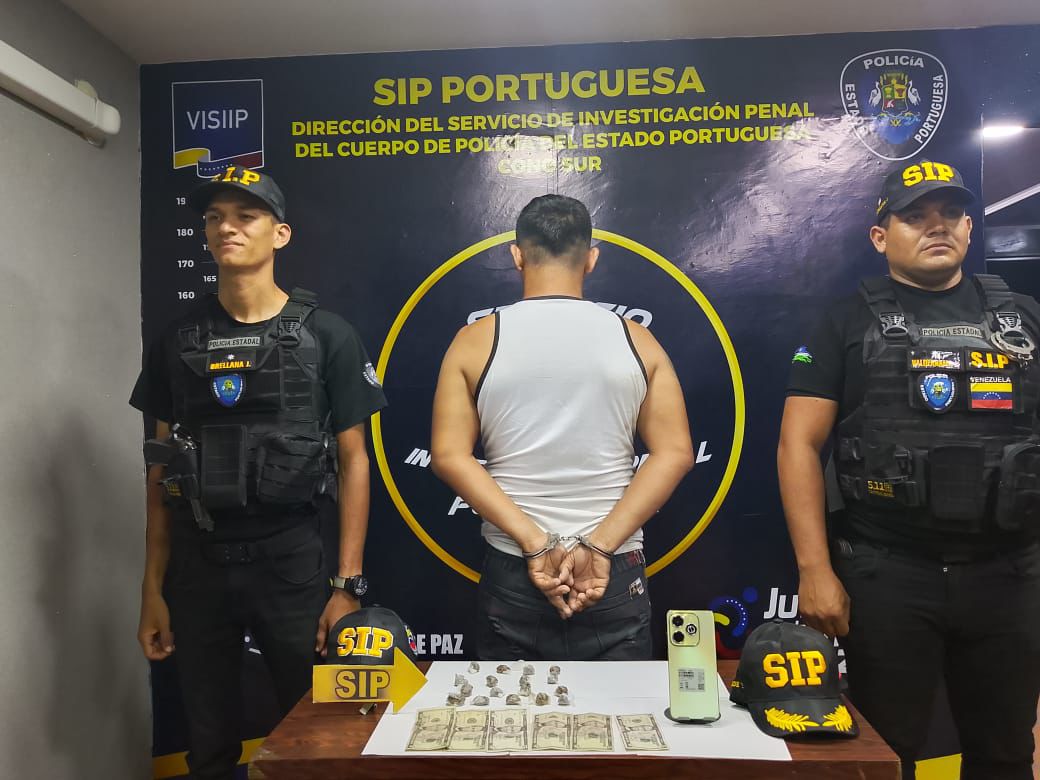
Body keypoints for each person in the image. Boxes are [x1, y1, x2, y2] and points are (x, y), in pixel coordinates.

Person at [778, 160, 1040, 780]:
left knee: (1006, 755)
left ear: (970, 228)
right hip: (890, 572)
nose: (936, 226)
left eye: (950, 213)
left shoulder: (1024, 317)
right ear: (881, 236)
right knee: (886, 757)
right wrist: (814, 570)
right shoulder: (845, 320)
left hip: (1009, 572)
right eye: (915, 216)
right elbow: (797, 446)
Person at [130, 168, 386, 779]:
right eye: (215, 217)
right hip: (198, 566)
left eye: (245, 217)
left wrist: (347, 585)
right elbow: (159, 469)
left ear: (280, 234)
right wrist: (151, 590)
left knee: (315, 741)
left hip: (290, 562)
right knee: (208, 747)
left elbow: (355, 461)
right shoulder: (177, 342)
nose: (227, 227)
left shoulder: (327, 336)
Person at [430, 194, 694, 661]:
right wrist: (600, 545)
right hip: (613, 563)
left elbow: (450, 456)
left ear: (517, 255)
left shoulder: (474, 340)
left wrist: (536, 543)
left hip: (516, 563)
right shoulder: (637, 339)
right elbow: (674, 453)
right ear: (591, 259)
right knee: (622, 708)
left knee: (510, 709)